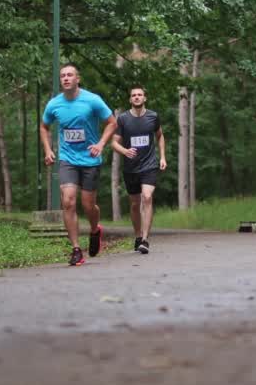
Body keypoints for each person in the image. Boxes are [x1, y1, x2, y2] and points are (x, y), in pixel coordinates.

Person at [40, 63, 118, 266]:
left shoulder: (92, 100)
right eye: (63, 75)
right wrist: (48, 150)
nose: (66, 78)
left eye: (70, 75)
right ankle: (76, 249)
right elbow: (44, 126)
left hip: (90, 159)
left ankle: (95, 230)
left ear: (77, 79)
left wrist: (101, 144)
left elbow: (112, 122)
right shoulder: (54, 104)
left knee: (88, 205)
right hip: (67, 159)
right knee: (68, 201)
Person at [111, 85, 166, 255]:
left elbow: (160, 136)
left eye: (139, 95)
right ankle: (137, 236)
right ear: (130, 99)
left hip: (149, 165)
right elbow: (113, 143)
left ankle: (145, 239)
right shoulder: (123, 119)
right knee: (135, 204)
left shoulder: (153, 117)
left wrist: (163, 157)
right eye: (133, 95)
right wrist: (125, 151)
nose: (136, 97)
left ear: (144, 98)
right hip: (130, 168)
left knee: (147, 197)